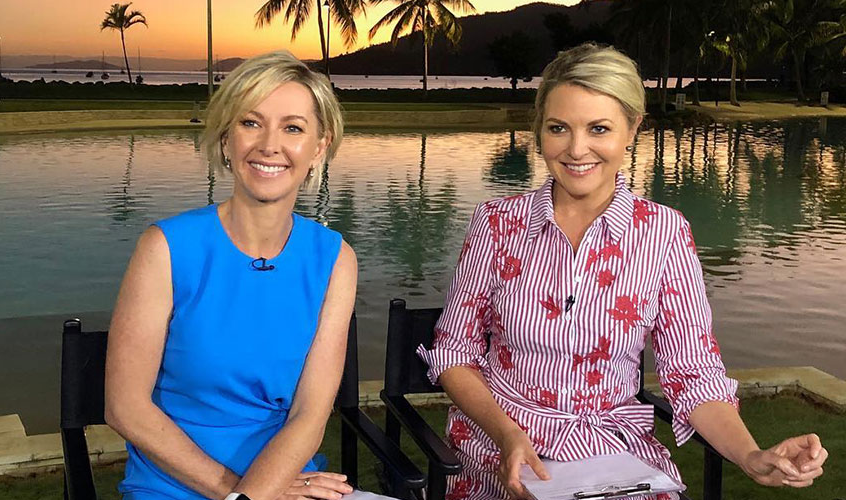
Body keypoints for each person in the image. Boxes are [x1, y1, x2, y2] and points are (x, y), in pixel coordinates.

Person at [417, 43, 828, 500]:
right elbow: (454, 352)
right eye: (558, 128)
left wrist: (751, 455)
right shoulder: (497, 224)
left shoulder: (664, 234)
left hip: (613, 453)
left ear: (632, 128)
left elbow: (693, 373)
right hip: (501, 446)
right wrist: (506, 433)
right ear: (539, 130)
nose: (576, 150)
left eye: (599, 128)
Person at [105, 51, 358, 500]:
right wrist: (242, 494)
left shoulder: (335, 260)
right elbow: (126, 408)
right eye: (251, 123)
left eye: (293, 128)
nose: (269, 145)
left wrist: (257, 491)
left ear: (319, 147)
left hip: (284, 479)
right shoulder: (166, 249)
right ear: (226, 139)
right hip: (175, 486)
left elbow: (310, 413)